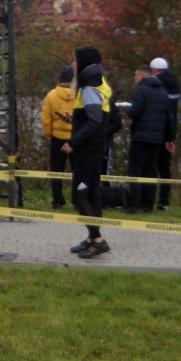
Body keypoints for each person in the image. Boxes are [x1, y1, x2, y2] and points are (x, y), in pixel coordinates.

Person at [61, 47, 115, 259]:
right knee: (92, 194)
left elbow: (94, 120)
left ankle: (99, 240)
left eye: (74, 61)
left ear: (83, 62)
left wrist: (73, 141)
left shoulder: (88, 86)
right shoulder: (99, 83)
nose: (72, 65)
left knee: (78, 194)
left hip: (87, 151)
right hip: (96, 147)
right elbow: (101, 118)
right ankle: (92, 239)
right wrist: (74, 121)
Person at [123, 65, 175, 214]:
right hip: (156, 140)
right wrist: (169, 138)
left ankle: (135, 205)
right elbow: (169, 118)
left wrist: (126, 108)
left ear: (142, 77)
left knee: (134, 172)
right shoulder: (163, 93)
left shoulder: (142, 91)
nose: (134, 78)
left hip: (140, 137)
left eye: (135, 76)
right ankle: (148, 205)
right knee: (151, 172)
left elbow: (135, 112)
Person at [40, 65, 75, 209]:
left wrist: (50, 136)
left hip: (57, 137)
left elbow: (46, 119)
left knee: (56, 171)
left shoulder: (51, 95)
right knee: (78, 172)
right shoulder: (79, 94)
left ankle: (58, 201)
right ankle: (78, 200)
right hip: (76, 139)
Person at [150, 57, 180, 211]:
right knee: (165, 168)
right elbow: (172, 114)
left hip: (156, 131)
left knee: (151, 166)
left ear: (154, 70)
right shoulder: (174, 84)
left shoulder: (156, 85)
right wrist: (171, 136)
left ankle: (148, 200)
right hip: (170, 130)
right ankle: (164, 201)